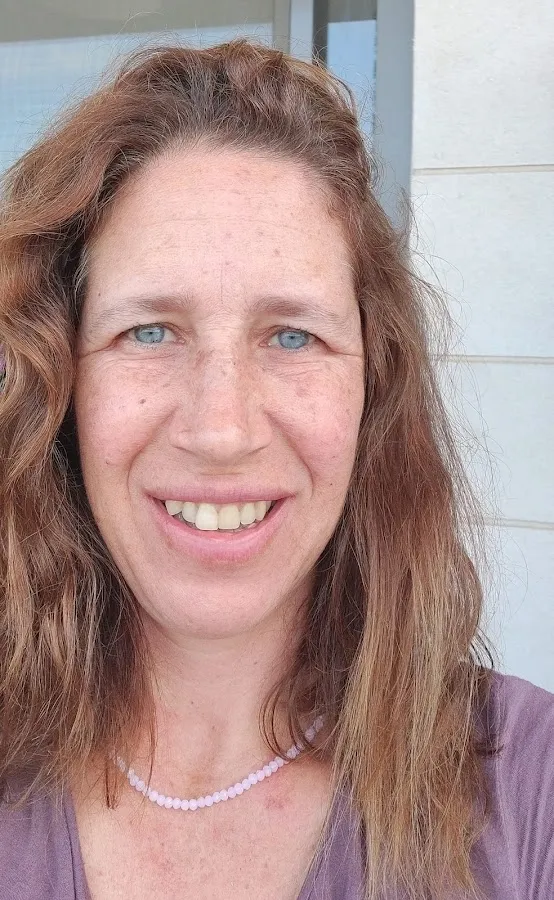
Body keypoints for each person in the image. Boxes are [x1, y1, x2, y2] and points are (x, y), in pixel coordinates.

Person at [0, 39, 553, 900]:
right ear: (60, 384)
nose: (221, 431)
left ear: (373, 387)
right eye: (149, 331)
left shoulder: (529, 792)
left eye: (293, 336)